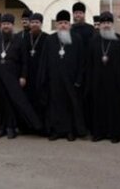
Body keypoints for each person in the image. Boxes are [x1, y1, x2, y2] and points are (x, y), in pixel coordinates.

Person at [0, 13, 41, 139]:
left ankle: (11, 128)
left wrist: (23, 76)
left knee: (11, 103)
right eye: (4, 24)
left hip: (13, 76)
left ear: (13, 25)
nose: (6, 26)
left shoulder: (19, 40)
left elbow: (24, 61)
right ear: (0, 25)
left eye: (8, 24)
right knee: (0, 102)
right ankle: (1, 128)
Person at [37, 10, 87, 141]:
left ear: (69, 24)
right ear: (56, 25)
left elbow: (82, 61)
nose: (63, 25)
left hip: (71, 81)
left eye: (65, 23)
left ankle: (70, 131)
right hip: (54, 81)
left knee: (70, 106)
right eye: (60, 23)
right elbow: (44, 61)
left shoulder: (76, 39)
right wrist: (44, 78)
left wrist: (79, 79)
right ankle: (55, 131)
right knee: (54, 106)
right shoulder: (50, 40)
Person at [88, 12, 120, 143]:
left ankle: (116, 134)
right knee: (98, 108)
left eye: (108, 23)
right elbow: (89, 64)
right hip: (98, 82)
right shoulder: (93, 41)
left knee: (116, 109)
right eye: (103, 23)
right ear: (100, 25)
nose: (106, 25)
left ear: (112, 24)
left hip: (116, 83)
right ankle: (99, 133)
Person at [19, 12, 48, 134]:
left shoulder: (47, 38)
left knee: (40, 102)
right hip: (27, 76)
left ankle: (41, 128)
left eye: (37, 22)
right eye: (33, 22)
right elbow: (21, 59)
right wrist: (22, 75)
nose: (34, 24)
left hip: (41, 76)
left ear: (41, 24)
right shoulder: (24, 38)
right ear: (30, 24)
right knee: (27, 102)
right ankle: (27, 127)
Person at [70, 1, 95, 127]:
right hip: (73, 70)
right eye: (76, 13)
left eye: (80, 13)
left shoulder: (90, 29)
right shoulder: (69, 29)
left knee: (87, 98)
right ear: (73, 15)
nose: (78, 15)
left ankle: (88, 125)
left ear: (84, 14)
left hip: (87, 68)